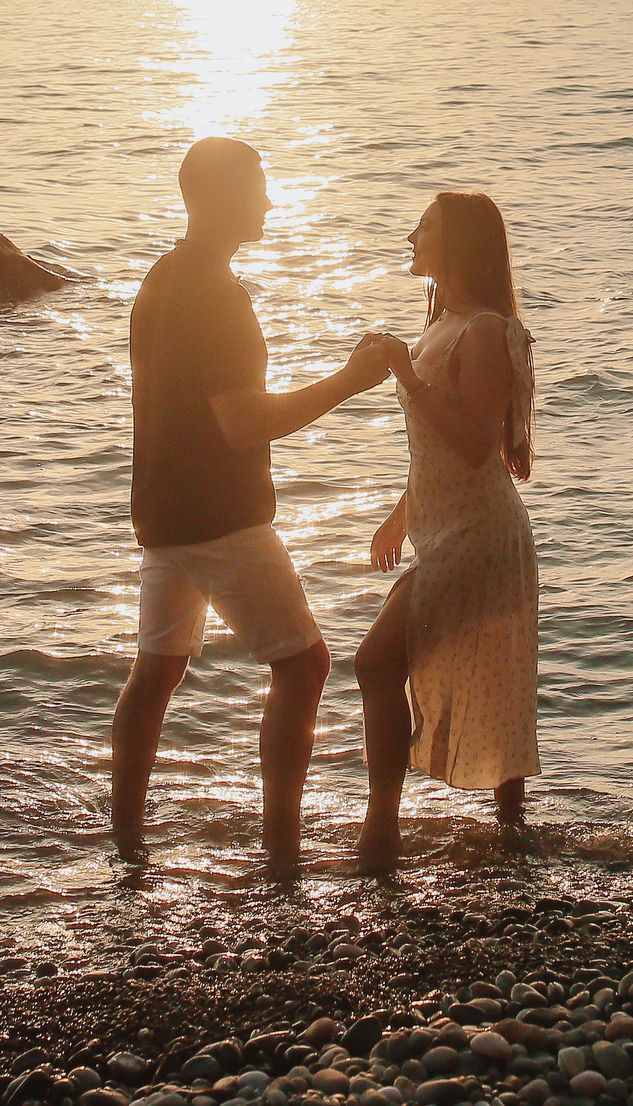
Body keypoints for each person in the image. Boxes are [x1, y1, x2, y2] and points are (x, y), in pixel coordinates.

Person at [109, 137, 393, 871]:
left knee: (156, 671)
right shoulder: (219, 296)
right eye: (257, 187)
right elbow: (243, 422)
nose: (269, 201)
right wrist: (350, 379)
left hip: (162, 513)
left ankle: (128, 842)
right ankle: (282, 852)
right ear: (217, 198)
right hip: (222, 515)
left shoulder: (161, 279)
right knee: (304, 666)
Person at [353, 190, 540, 873]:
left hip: (481, 533)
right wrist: (400, 516)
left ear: (456, 244)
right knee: (495, 673)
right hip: (449, 529)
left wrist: (402, 369)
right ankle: (513, 836)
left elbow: (474, 443)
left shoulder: (485, 328)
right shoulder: (443, 322)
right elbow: (432, 449)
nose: (409, 236)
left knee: (376, 662)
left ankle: (381, 832)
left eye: (423, 228)